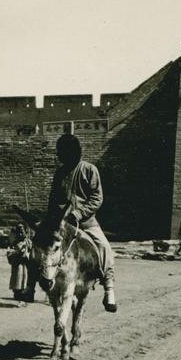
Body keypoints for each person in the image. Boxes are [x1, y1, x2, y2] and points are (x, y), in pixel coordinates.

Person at [46, 133, 117, 312]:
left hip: (86, 222)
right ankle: (31, 286)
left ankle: (109, 289)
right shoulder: (59, 174)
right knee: (42, 246)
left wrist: (79, 213)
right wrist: (50, 219)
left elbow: (96, 198)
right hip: (63, 224)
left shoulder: (89, 170)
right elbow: (53, 200)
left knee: (104, 247)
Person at [7, 223, 34, 305]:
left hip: (25, 263)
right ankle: (17, 294)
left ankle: (24, 295)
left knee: (25, 278)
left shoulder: (28, 241)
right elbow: (10, 251)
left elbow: (31, 250)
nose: (21, 233)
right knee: (17, 277)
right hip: (17, 262)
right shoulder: (14, 242)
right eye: (19, 230)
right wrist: (16, 252)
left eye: (22, 230)